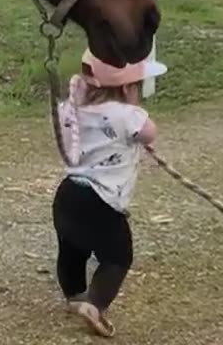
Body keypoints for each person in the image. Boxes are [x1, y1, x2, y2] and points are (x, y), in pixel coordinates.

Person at [51, 49, 165, 338]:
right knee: (117, 257)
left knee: (72, 249)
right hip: (101, 202)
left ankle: (75, 296)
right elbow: (150, 132)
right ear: (128, 88)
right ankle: (95, 304)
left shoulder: (70, 109)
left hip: (68, 195)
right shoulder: (128, 115)